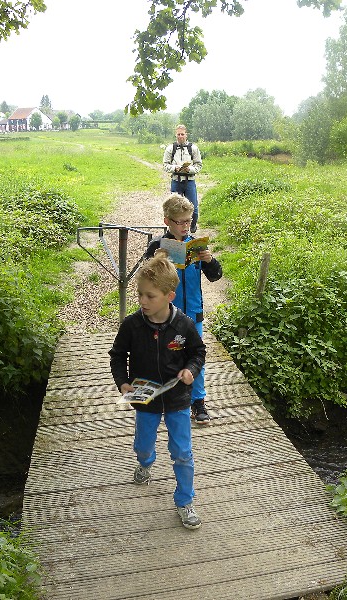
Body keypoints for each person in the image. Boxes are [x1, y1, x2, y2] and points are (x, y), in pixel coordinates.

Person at [109, 249, 206, 530]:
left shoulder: (184, 325)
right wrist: (123, 382)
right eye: (140, 294)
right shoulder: (132, 325)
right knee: (142, 445)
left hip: (177, 399)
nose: (142, 301)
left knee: (182, 452)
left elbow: (198, 352)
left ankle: (185, 501)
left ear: (169, 296)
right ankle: (145, 462)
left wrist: (191, 370)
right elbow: (117, 356)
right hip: (145, 400)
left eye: (150, 296)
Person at [146, 193, 222, 425]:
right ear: (167, 221)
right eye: (180, 222)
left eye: (189, 220)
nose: (185, 226)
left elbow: (216, 276)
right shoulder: (157, 246)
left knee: (196, 357)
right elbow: (145, 282)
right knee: (164, 356)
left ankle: (198, 401)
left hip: (193, 313)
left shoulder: (197, 245)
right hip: (165, 315)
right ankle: (163, 398)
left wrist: (209, 260)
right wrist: (156, 261)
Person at [163, 124, 202, 233]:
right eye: (178, 134)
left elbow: (199, 165)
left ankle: (192, 226)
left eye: (182, 134)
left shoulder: (193, 148)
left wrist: (189, 169)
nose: (180, 136)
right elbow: (165, 165)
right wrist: (174, 168)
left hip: (189, 181)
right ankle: (175, 229)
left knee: (193, 208)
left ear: (186, 135)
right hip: (176, 180)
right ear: (176, 135)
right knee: (174, 207)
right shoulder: (170, 148)